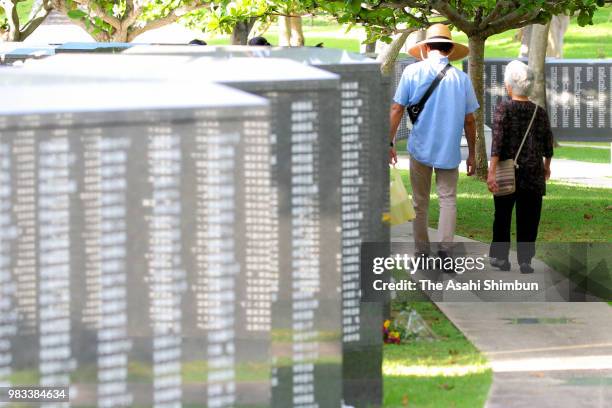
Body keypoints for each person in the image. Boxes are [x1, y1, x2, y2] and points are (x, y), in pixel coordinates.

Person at [389, 24, 478, 263]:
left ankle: (421, 252)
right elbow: (470, 121)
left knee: (420, 202)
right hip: (449, 149)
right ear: (449, 50)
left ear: (427, 47)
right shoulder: (462, 79)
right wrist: (472, 153)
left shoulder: (412, 73)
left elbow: (397, 108)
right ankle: (446, 252)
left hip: (420, 148)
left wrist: (389, 142)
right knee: (448, 199)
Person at [487, 60, 554, 274]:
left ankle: (500, 258)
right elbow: (547, 141)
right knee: (530, 217)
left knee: (503, 215)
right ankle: (525, 261)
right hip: (533, 172)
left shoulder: (503, 108)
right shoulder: (539, 111)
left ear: (509, 86)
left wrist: (491, 172)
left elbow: (497, 142)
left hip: (507, 171)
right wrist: (547, 165)